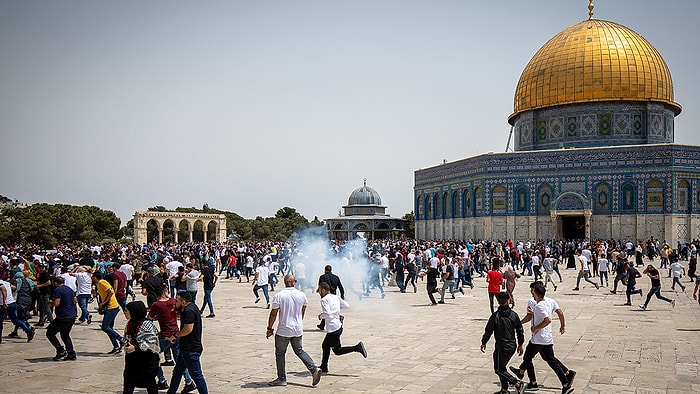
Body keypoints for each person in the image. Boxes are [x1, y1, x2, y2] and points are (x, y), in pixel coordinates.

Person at [509, 283, 575, 394]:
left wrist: (535, 327)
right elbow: (555, 313)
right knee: (551, 361)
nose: (532, 293)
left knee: (527, 358)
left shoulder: (539, 305)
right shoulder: (547, 303)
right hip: (547, 338)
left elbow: (548, 319)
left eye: (533, 292)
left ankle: (533, 382)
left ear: (536, 293)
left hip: (538, 339)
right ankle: (565, 383)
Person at [266, 274, 322, 387]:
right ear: (294, 282)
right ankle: (314, 369)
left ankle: (282, 378)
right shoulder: (301, 295)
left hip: (283, 330)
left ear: (285, 282)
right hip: (297, 329)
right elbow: (303, 309)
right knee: (300, 351)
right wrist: (298, 321)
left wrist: (269, 328)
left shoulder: (279, 295)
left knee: (280, 354)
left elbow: (273, 313)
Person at [480, 292, 526, 394]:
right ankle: (504, 390)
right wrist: (520, 344)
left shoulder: (495, 316)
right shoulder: (514, 315)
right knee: (502, 368)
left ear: (498, 301)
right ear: (508, 300)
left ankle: (517, 383)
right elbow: (520, 330)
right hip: (511, 346)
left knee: (499, 369)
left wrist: (484, 342)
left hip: (502, 347)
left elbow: (488, 330)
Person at [150, 286, 194, 391]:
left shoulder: (156, 305)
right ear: (165, 292)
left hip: (165, 335)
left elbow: (149, 319)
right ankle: (188, 381)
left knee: (153, 356)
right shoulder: (173, 301)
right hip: (176, 333)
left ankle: (162, 380)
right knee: (179, 360)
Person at [317, 282, 367, 373]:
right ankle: (324, 366)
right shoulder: (335, 297)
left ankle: (357, 347)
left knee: (337, 351)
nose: (319, 292)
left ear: (323, 290)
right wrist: (336, 309)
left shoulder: (324, 300)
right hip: (338, 326)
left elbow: (327, 314)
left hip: (333, 328)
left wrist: (320, 316)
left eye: (319, 290)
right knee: (325, 345)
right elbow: (346, 305)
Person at [166, 292, 208, 394]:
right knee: (177, 372)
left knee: (197, 375)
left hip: (191, 349)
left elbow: (188, 329)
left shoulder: (189, 311)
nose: (175, 302)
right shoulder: (192, 307)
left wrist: (176, 335)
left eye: (177, 301)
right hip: (185, 348)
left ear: (183, 302)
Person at [123, 301, 160, 394]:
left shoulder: (146, 325)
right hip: (132, 361)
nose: (124, 312)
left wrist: (136, 348)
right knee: (128, 384)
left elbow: (152, 342)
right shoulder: (130, 323)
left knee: (150, 385)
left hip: (146, 361)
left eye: (126, 310)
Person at [45, 276, 76, 360]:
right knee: (65, 334)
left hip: (63, 316)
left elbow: (57, 303)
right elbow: (75, 300)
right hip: (72, 315)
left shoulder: (57, 290)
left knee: (50, 333)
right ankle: (71, 353)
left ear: (55, 283)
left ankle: (60, 350)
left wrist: (51, 303)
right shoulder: (69, 289)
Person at [93, 271, 124, 354]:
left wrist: (103, 303)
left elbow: (111, 291)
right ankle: (116, 346)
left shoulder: (102, 282)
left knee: (105, 327)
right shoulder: (98, 285)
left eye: (93, 277)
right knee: (109, 328)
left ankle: (121, 339)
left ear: (96, 277)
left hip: (112, 307)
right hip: (110, 307)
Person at [0, 275, 35, 343]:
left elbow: (3, 289)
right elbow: (14, 287)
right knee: (16, 320)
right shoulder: (6, 283)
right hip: (12, 303)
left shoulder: (1, 284)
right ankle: (29, 331)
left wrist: (4, 301)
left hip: (5, 305)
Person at [317, 264, 345, 330]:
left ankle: (339, 317)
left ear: (325, 270)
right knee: (330, 310)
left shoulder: (322, 277)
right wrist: (342, 294)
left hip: (326, 295)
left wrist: (320, 294)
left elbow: (320, 286)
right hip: (334, 296)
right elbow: (340, 286)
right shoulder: (336, 277)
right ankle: (322, 325)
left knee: (327, 310)